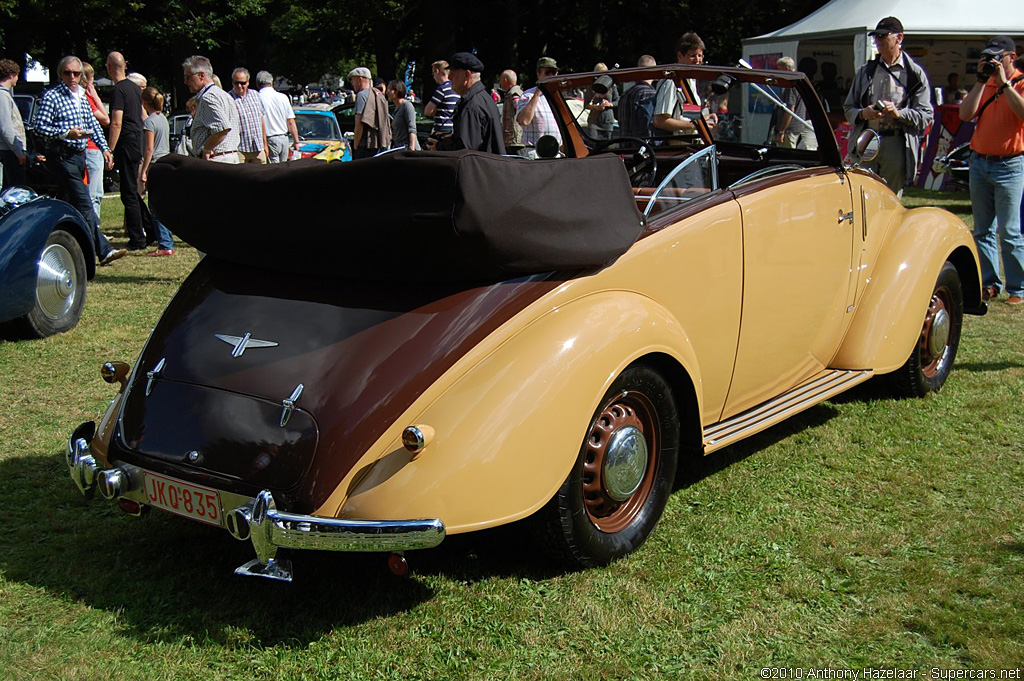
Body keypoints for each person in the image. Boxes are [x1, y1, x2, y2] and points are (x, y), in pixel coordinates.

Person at [34, 55, 125, 266]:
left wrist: (105, 149)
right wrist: (66, 133)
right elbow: (39, 127)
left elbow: (92, 126)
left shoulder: (82, 97)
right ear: (60, 74)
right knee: (84, 203)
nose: (72, 77)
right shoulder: (52, 96)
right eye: (67, 73)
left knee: (65, 203)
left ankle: (50, 240)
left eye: (76, 73)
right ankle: (103, 251)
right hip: (62, 156)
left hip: (78, 157)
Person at [959, 36, 1024, 304]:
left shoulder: (1019, 83)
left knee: (1009, 231)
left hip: (1010, 164)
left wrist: (1005, 83)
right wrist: (980, 81)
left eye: (997, 57)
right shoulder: (984, 85)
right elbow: (965, 114)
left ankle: (1018, 289)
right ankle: (989, 283)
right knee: (982, 229)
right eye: (988, 57)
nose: (992, 62)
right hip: (980, 163)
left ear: (1012, 57)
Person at [843, 17, 932, 196]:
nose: (878, 41)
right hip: (866, 140)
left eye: (883, 36)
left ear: (899, 38)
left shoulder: (914, 74)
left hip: (897, 143)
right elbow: (848, 108)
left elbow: (926, 115)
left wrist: (899, 114)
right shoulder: (866, 71)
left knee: (890, 199)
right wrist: (863, 114)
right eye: (876, 37)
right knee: (863, 197)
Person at [107, 51, 156, 250]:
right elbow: (144, 116)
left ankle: (138, 237)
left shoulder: (119, 90)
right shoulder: (135, 89)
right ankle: (149, 229)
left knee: (128, 192)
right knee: (131, 191)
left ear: (110, 67)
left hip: (126, 142)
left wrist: (109, 149)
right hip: (136, 141)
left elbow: (116, 123)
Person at [437, 52, 505, 155]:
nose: (449, 78)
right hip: (490, 167)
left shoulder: (472, 106)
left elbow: (465, 151)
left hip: (479, 169)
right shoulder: (484, 98)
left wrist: (439, 147)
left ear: (467, 75)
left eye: (453, 74)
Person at [653, 33, 718, 136]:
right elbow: (659, 121)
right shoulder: (672, 81)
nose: (697, 60)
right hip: (677, 147)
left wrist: (705, 118)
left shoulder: (689, 80)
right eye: (692, 56)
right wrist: (695, 125)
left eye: (700, 55)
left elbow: (687, 115)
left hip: (691, 146)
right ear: (680, 55)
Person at [183, 55, 241, 163]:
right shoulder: (224, 95)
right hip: (229, 157)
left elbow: (222, 128)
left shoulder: (208, 97)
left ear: (201, 75)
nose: (185, 82)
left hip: (217, 160)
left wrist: (207, 149)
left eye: (188, 77)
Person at [140, 87, 175, 257]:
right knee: (165, 203)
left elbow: (149, 148)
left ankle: (164, 244)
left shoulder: (149, 122)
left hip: (155, 164)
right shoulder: (163, 119)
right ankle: (168, 240)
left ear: (145, 102)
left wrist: (144, 170)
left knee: (155, 206)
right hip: (166, 162)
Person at [516, 57, 563, 158]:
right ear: (538, 74)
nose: (551, 76)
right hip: (535, 152)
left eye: (554, 72)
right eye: (548, 72)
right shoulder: (527, 95)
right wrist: (537, 94)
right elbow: (524, 121)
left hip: (556, 152)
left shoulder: (558, 97)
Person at [80, 62, 109, 222]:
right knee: (94, 194)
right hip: (91, 148)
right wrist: (95, 96)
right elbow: (106, 119)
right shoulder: (86, 99)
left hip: (92, 148)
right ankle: (93, 228)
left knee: (95, 192)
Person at [772, 56, 817, 150]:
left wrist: (781, 131)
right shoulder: (799, 83)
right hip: (798, 125)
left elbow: (790, 110)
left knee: (787, 155)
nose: (778, 72)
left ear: (786, 68)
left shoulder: (791, 86)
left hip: (790, 128)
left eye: (779, 69)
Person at [256, 70, 300, 163]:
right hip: (284, 138)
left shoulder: (257, 98)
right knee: (283, 169)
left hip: (269, 139)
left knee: (274, 171)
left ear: (257, 83)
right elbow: (290, 122)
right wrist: (296, 141)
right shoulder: (283, 97)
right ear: (271, 82)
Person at [348, 66, 391, 160]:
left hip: (366, 145)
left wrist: (355, 147)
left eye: (353, 80)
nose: (352, 83)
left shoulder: (361, 95)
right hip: (380, 142)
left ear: (360, 79)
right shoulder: (378, 94)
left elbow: (359, 124)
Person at [230, 67, 268, 163]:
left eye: (242, 83)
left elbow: (261, 121)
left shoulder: (255, 95)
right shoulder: (228, 98)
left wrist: (265, 145)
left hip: (258, 148)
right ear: (232, 83)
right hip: (240, 149)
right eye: (236, 83)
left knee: (261, 176)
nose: (239, 86)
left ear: (248, 82)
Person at [0, 58, 27, 189]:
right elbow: (6, 128)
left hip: (9, 150)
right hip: (8, 150)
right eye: (16, 75)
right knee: (14, 189)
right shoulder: (2, 96)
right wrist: (18, 151)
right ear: (12, 75)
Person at [618, 55, 658, 138]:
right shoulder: (650, 94)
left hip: (624, 147)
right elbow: (646, 125)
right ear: (654, 71)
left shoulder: (625, 94)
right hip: (641, 147)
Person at [424, 60, 459, 146]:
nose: (433, 77)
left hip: (441, 131)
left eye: (433, 73)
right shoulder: (456, 88)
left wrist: (435, 109)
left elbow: (427, 111)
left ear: (437, 71)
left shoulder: (442, 89)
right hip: (453, 130)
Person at [585, 63, 618, 141]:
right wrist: (596, 107)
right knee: (593, 143)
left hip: (607, 120)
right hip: (594, 121)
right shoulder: (591, 85)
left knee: (606, 145)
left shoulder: (611, 85)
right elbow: (586, 105)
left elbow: (618, 100)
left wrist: (610, 104)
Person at [387, 80, 419, 150]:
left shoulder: (407, 105)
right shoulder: (396, 109)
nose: (387, 92)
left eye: (389, 89)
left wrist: (411, 148)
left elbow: (412, 128)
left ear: (397, 91)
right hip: (399, 148)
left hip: (408, 149)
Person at [499, 69, 524, 155]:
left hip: (515, 141)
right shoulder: (512, 93)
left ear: (505, 80)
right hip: (512, 139)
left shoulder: (514, 94)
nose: (500, 83)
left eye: (500, 80)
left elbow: (520, 111)